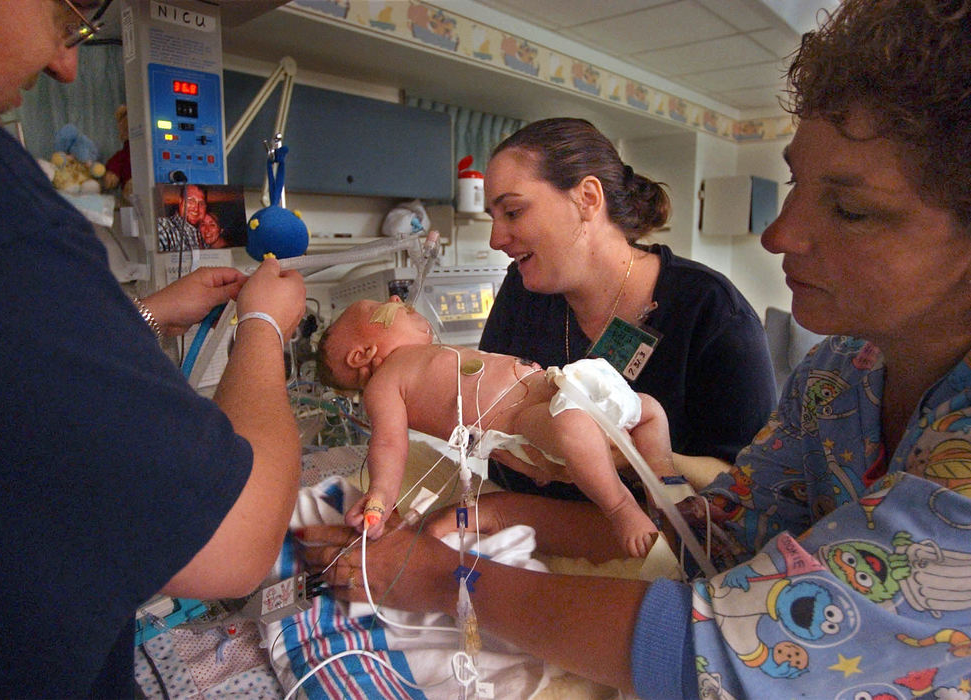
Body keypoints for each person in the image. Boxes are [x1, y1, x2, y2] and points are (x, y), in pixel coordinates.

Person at [302, 1, 971, 696]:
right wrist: (494, 511)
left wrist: (441, 577)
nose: (778, 234)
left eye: (851, 208)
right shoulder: (839, 375)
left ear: (586, 199)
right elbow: (721, 532)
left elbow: (737, 649)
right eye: (796, 181)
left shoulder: (708, 312)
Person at [0, 2, 308, 696]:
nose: (66, 64)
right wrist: (264, 328)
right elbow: (234, 543)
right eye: (64, 17)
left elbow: (6, 373)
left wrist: (147, 313)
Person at [476, 117, 777, 501]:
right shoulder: (522, 293)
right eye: (492, 217)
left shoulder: (711, 311)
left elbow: (749, 484)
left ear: (587, 198)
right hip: (519, 529)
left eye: (513, 212)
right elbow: (483, 407)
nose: (496, 238)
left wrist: (642, 454)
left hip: (642, 551)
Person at [316, 296, 675, 558]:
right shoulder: (387, 383)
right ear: (361, 354)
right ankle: (620, 508)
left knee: (649, 410)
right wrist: (380, 496)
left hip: (559, 383)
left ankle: (667, 483)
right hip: (526, 421)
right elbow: (390, 444)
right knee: (573, 426)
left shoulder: (430, 353)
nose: (395, 298)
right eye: (376, 306)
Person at [157, 183, 207, 251]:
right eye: (191, 201)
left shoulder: (204, 233)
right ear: (181, 201)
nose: (196, 208)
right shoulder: (164, 227)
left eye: (201, 203)